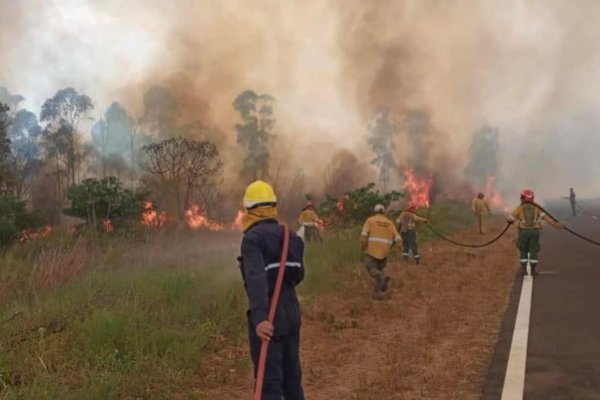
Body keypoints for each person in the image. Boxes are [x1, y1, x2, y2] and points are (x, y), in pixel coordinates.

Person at [238, 180, 305, 399]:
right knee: (292, 377)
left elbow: (256, 280)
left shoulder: (252, 239)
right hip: (291, 311)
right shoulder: (291, 236)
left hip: (269, 314)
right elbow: (298, 274)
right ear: (273, 206)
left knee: (269, 383)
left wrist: (260, 319)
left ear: (249, 209)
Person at [507, 189, 563, 276]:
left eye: (521, 197)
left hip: (523, 232)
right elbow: (546, 218)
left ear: (523, 198)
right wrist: (556, 225)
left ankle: (524, 270)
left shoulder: (519, 208)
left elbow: (511, 218)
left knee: (523, 250)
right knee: (534, 250)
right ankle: (533, 271)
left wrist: (509, 220)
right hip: (534, 232)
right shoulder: (537, 208)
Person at [360, 204, 402, 296]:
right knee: (378, 269)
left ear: (375, 211)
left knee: (371, 268)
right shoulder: (389, 223)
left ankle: (383, 277)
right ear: (384, 212)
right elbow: (398, 238)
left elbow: (363, 235)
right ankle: (377, 293)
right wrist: (399, 248)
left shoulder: (370, 220)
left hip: (372, 250)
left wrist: (363, 247)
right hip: (384, 252)